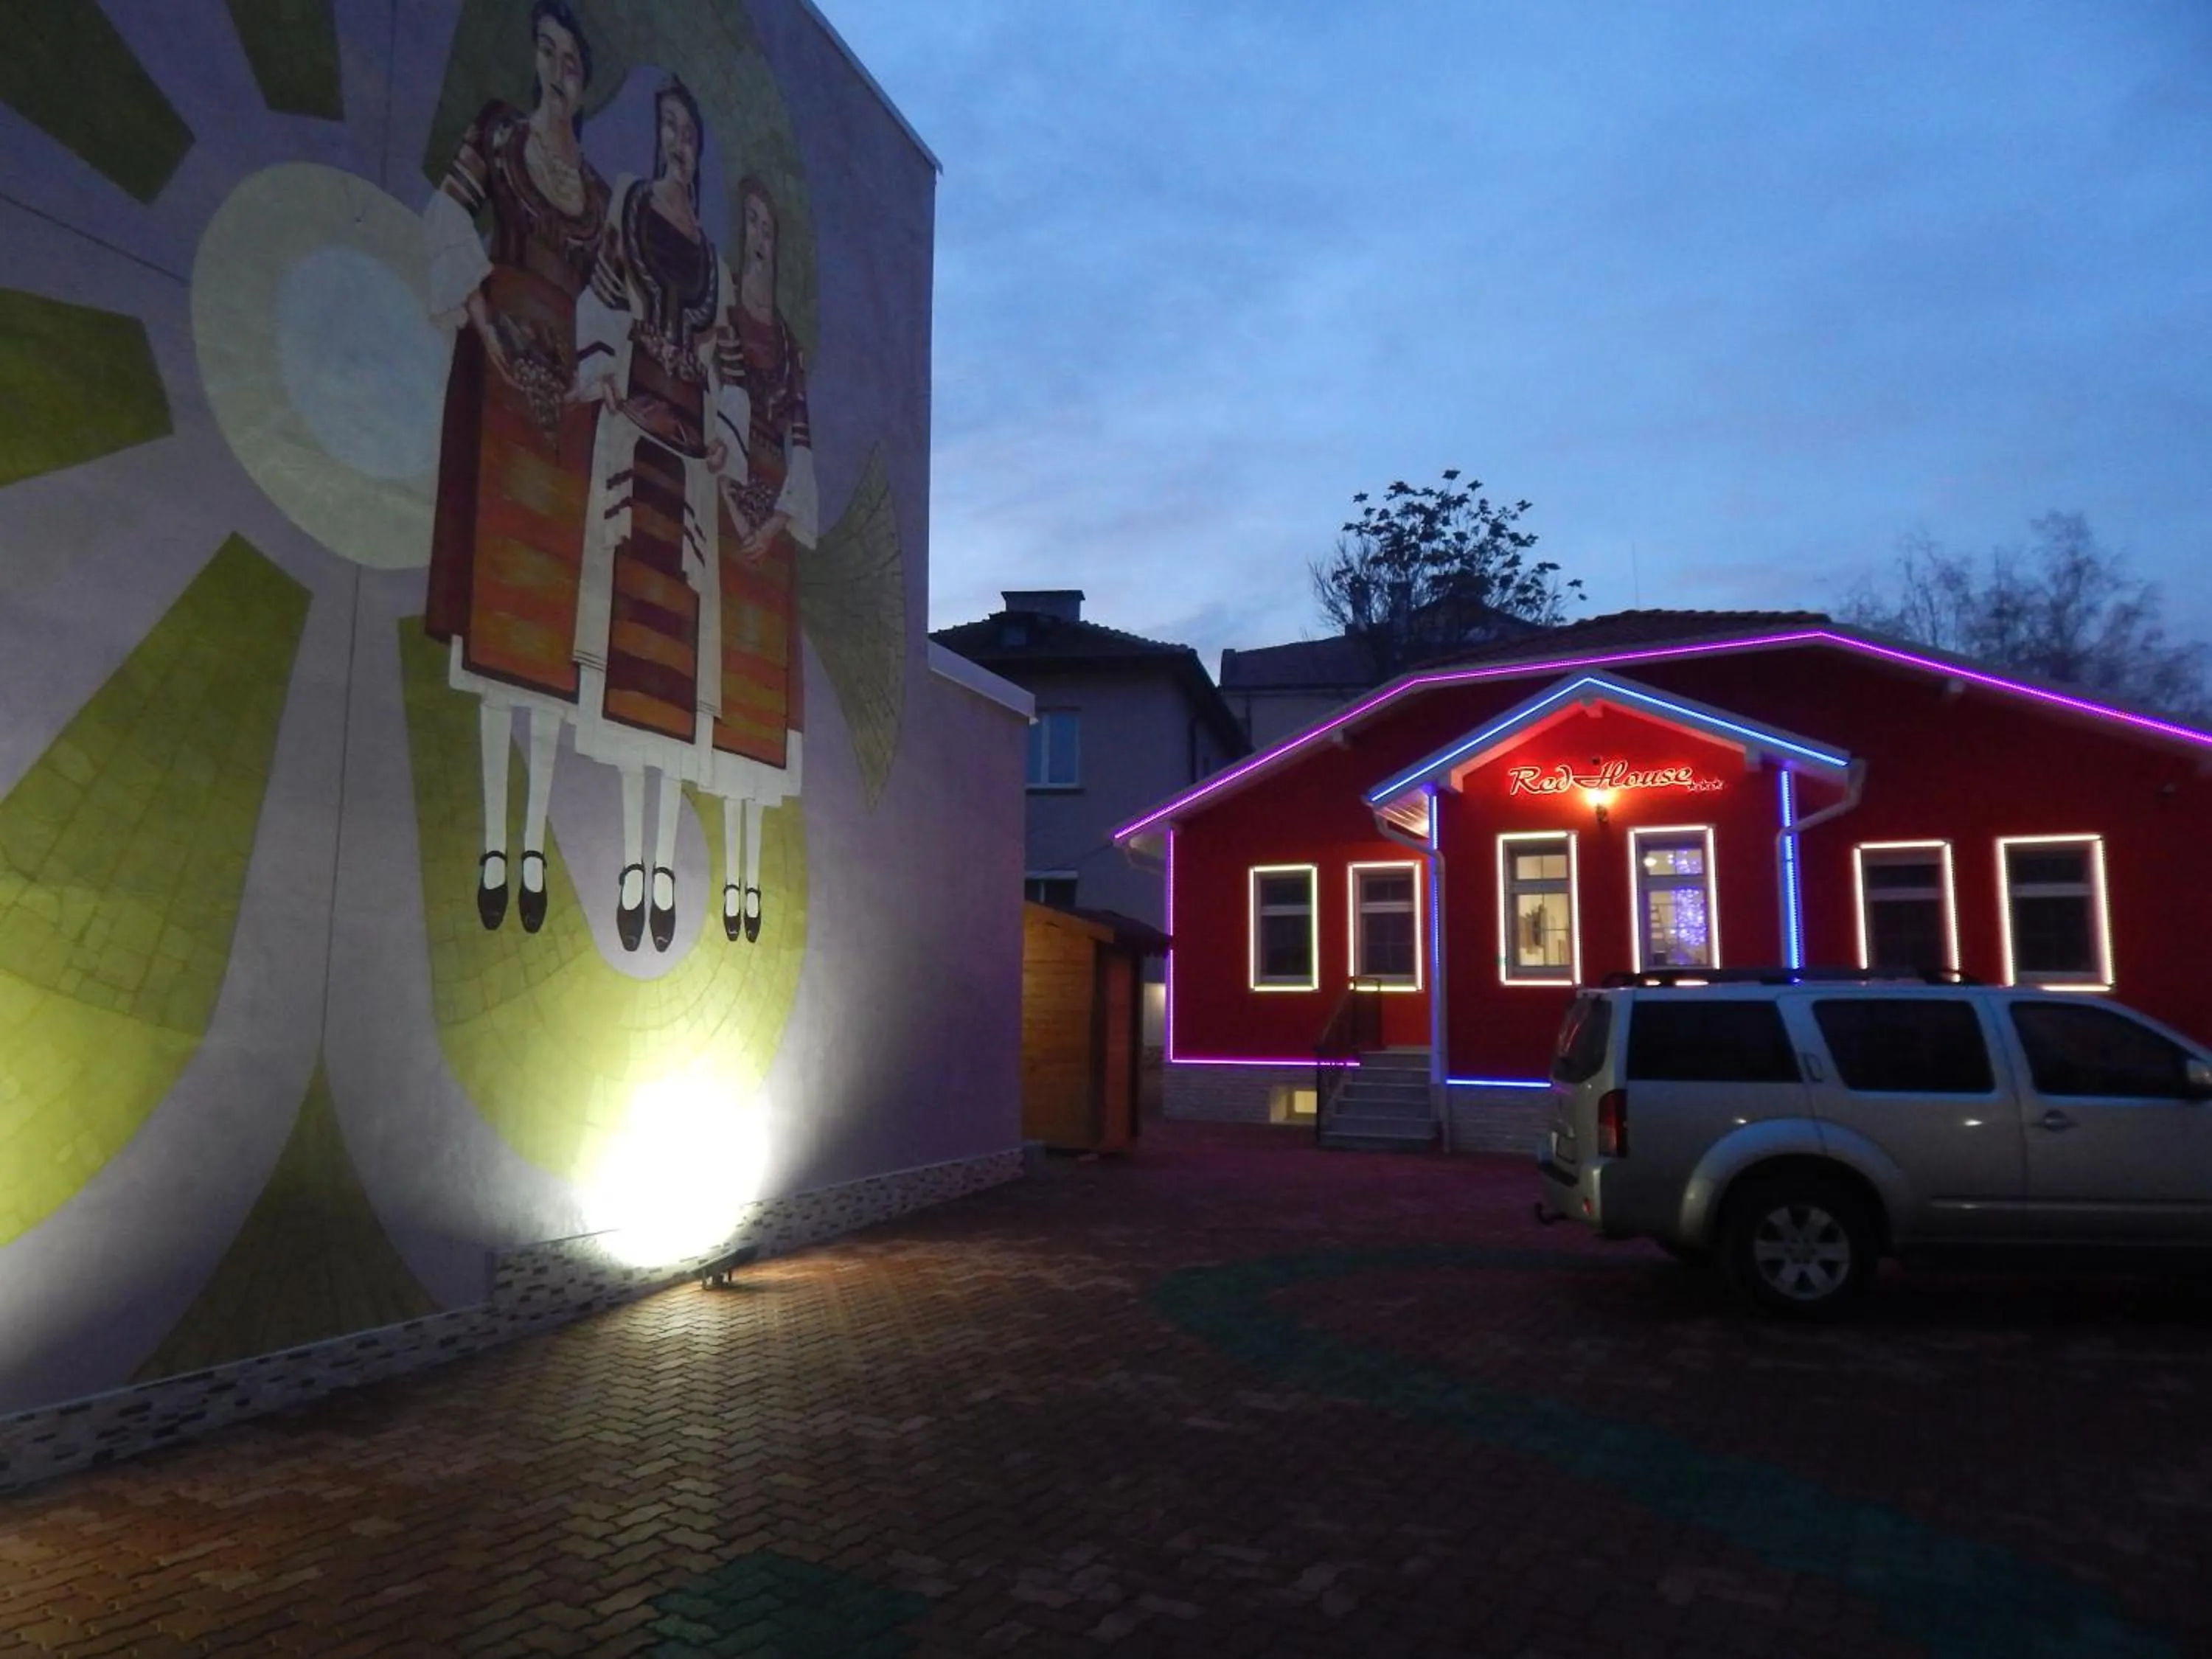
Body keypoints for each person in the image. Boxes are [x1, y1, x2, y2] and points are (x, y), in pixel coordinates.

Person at [421, 0, 607, 934]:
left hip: (564, 417)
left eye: (572, 57)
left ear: (586, 75)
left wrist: (586, 377)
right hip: (501, 385)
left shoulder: (599, 195)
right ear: (535, 59)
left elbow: (609, 306)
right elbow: (444, 215)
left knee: (551, 640)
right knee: (498, 634)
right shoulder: (498, 135)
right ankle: (496, 846)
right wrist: (488, 328)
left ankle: (533, 846)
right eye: (548, 50)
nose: (558, 68)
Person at [571, 77, 731, 953]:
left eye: (687, 131)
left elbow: (727, 368)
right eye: (667, 126)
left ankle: (661, 867)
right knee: (632, 663)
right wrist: (604, 370)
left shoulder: (714, 260)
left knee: (675, 676)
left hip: (688, 468)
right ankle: (632, 866)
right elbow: (601, 291)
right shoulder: (630, 207)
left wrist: (723, 440)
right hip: (637, 438)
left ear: (699, 148)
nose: (676, 141)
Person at [706, 178, 815, 942]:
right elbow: (715, 412)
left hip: (771, 533)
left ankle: (749, 882)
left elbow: (802, 442)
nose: (760, 239)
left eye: (769, 228)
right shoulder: (723, 323)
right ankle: (730, 881)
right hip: (723, 518)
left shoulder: (790, 350)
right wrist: (733, 503)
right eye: (750, 224)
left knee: (761, 702)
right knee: (719, 691)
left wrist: (775, 522)